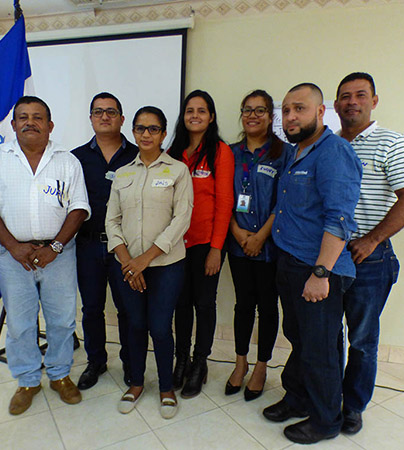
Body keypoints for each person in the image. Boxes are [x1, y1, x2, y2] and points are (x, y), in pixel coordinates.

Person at [0, 96, 91, 415]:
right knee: (21, 325)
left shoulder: (67, 161)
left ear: (50, 125)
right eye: (23, 117)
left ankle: (59, 375)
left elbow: (79, 209)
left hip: (59, 255)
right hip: (13, 257)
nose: (30, 122)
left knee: (63, 321)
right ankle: (27, 381)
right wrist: (13, 245)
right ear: (13, 125)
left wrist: (54, 247)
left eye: (38, 117)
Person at [262, 83, 362, 444]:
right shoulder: (295, 152)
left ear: (321, 112)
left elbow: (339, 219)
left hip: (318, 269)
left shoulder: (334, 153)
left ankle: (325, 420)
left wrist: (321, 273)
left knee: (320, 347)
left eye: (299, 109)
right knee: (300, 339)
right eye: (285, 110)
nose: (290, 116)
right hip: (289, 262)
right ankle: (299, 397)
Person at [334, 72, 404, 434]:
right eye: (345, 96)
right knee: (323, 335)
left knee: (362, 339)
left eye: (360, 95)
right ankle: (323, 396)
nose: (352, 101)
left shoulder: (393, 143)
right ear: (335, 105)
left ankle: (353, 406)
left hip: (368, 259)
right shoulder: (329, 143)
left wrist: (371, 239)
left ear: (374, 101)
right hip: (326, 258)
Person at [106, 106, 193, 419]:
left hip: (167, 265)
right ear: (133, 132)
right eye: (140, 128)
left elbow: (182, 219)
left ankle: (166, 387)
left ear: (163, 134)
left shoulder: (178, 171)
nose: (146, 134)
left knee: (159, 327)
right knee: (136, 324)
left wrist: (145, 259)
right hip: (129, 265)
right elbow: (111, 220)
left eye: (153, 129)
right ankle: (136, 382)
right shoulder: (123, 173)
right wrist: (128, 261)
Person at [168, 90, 235, 398]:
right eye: (189, 110)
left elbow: (224, 203)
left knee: (204, 304)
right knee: (180, 304)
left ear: (211, 116)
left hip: (206, 243)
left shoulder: (220, 151)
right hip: (174, 244)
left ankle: (199, 363)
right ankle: (181, 360)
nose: (195, 115)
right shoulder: (173, 151)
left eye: (201, 110)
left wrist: (216, 249)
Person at [71, 93, 138, 390]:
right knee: (91, 309)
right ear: (90, 118)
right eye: (98, 111)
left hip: (126, 248)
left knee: (128, 309)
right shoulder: (75, 158)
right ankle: (95, 361)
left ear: (122, 119)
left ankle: (131, 362)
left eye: (111, 111)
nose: (104, 116)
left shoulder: (138, 155)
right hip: (87, 245)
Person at [225, 90, 289, 401]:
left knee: (267, 307)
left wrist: (261, 235)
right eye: (247, 109)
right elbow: (223, 198)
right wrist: (237, 233)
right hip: (237, 244)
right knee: (242, 305)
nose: (253, 115)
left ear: (270, 115)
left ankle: (262, 366)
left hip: (270, 245)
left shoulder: (284, 153)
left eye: (260, 110)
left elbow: (285, 200)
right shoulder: (230, 152)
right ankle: (240, 363)